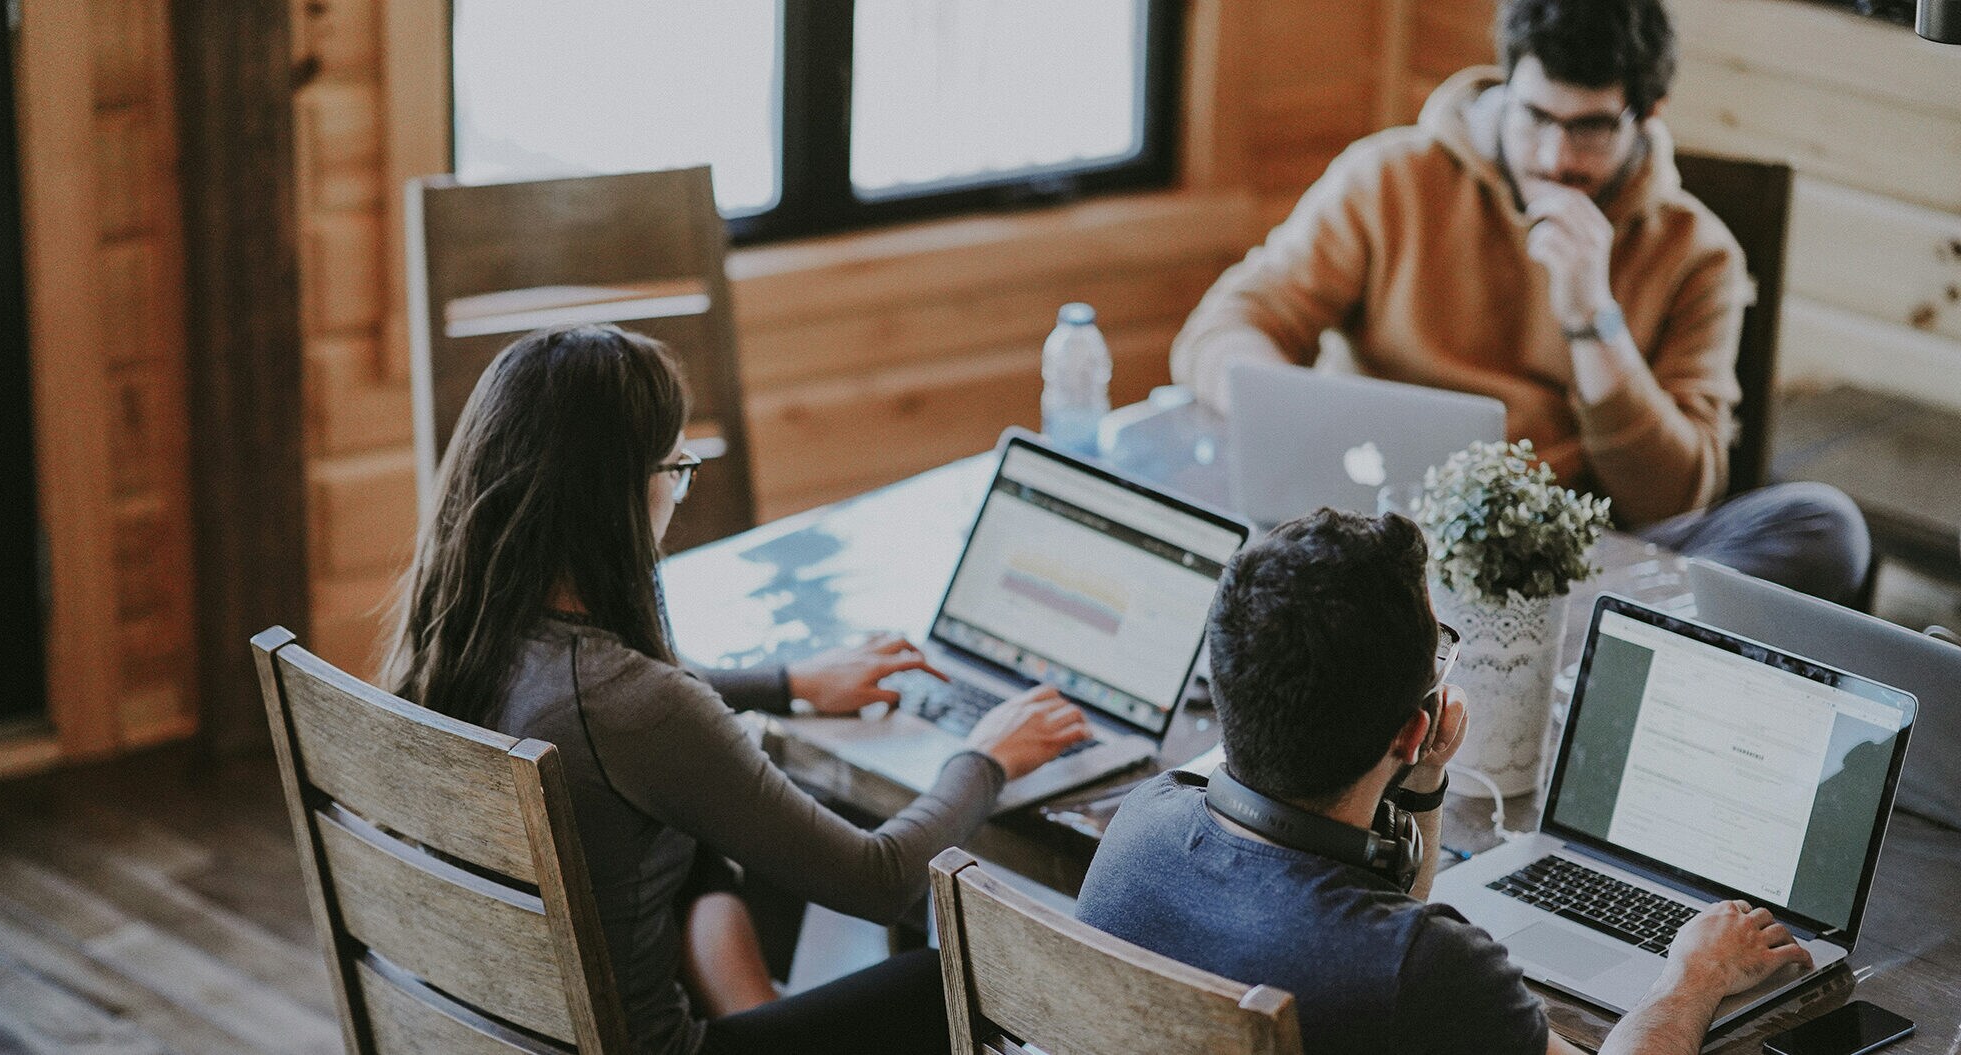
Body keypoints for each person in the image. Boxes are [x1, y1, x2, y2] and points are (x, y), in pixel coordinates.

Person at [382, 323, 1091, 1055]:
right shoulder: (635, 706)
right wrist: (986, 757)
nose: (679, 493)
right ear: (619, 492)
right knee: (934, 981)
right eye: (678, 468)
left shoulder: (461, 634)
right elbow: (879, 880)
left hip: (481, 1031)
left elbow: (629, 714)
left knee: (701, 835)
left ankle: (756, 1004)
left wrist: (789, 683)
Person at [1170, 0, 1868, 605]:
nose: (1555, 156)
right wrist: (1293, 418)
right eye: (1534, 116)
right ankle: (1547, 650)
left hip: (1575, 562)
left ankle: (1544, 644)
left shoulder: (1698, 254)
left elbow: (1676, 497)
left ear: (1647, 114)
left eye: (1591, 127)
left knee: (1824, 527)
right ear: (1507, 83)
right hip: (1379, 534)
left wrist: (1593, 317)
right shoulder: (1389, 178)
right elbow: (1224, 329)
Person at [1075, 510, 1813, 1055]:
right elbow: (1386, 944)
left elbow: (1365, 919)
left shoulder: (1138, 827)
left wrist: (1421, 780)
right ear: (1409, 726)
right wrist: (1692, 975)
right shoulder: (1426, 968)